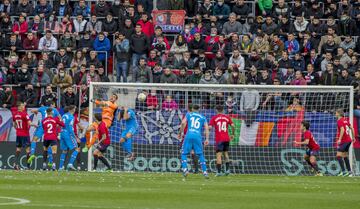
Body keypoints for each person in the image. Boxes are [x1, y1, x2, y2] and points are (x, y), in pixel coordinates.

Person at [178, 104, 210, 178]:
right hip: (197, 136)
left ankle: (185, 169)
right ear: (199, 109)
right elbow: (206, 128)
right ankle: (205, 172)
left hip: (189, 135)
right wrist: (207, 139)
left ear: (192, 108)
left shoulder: (189, 114)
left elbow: (183, 123)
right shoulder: (203, 117)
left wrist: (180, 133)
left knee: (184, 153)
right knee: (200, 154)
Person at [209, 105, 235, 176]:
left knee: (219, 155)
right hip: (226, 138)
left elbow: (210, 127)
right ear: (223, 110)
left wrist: (206, 131)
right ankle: (227, 170)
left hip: (219, 139)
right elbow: (233, 126)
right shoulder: (227, 117)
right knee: (226, 154)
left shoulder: (214, 118)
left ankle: (219, 172)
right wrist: (232, 134)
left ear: (216, 110)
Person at [12, 102, 34, 170]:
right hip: (25, 134)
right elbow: (30, 123)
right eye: (22, 106)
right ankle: (28, 167)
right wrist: (36, 125)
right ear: (19, 107)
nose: (24, 107)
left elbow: (14, 124)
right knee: (28, 150)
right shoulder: (24, 114)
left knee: (18, 149)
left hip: (18, 134)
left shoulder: (14, 115)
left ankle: (15, 164)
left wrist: (18, 129)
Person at [59, 105, 80, 171]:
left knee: (64, 150)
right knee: (77, 148)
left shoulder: (64, 115)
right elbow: (70, 128)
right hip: (68, 133)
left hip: (62, 133)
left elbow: (61, 124)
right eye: (75, 109)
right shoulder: (71, 117)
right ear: (72, 109)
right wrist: (76, 137)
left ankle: (60, 167)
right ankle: (70, 164)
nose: (75, 110)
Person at [335, 109, 355, 177]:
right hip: (349, 140)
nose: (335, 114)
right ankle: (349, 172)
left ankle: (344, 171)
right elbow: (352, 128)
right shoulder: (345, 120)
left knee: (338, 156)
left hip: (344, 141)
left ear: (339, 114)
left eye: (336, 113)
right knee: (345, 156)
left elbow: (342, 129)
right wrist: (353, 137)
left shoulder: (339, 121)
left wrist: (339, 139)